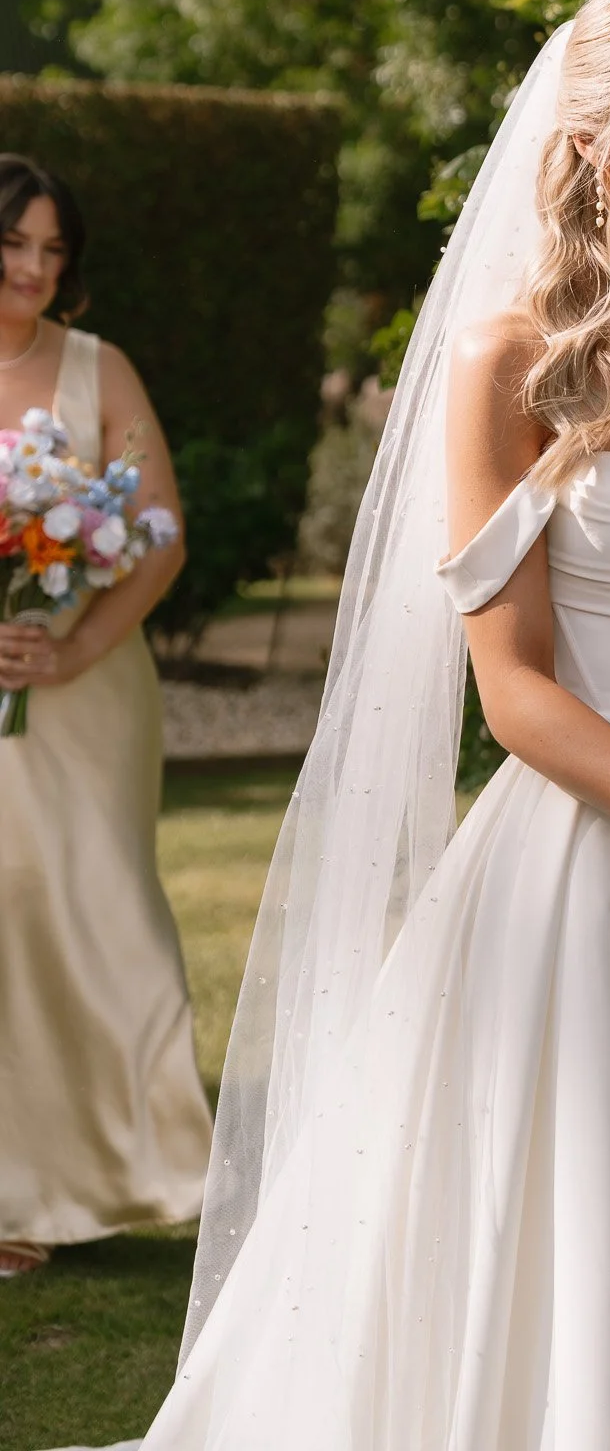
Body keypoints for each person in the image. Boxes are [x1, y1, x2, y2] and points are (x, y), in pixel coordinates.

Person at [124, 0, 610, 1450]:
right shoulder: (516, 363)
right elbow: (515, 685)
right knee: (597, 1217)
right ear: (597, 144)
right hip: (599, 859)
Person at [0, 155, 212, 1279]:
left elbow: (161, 527)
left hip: (88, 691)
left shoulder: (98, 366)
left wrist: (71, 643)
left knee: (99, 909)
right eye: (15, 244)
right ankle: (15, 1194)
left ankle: (129, 1166)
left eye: (54, 250)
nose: (36, 267)